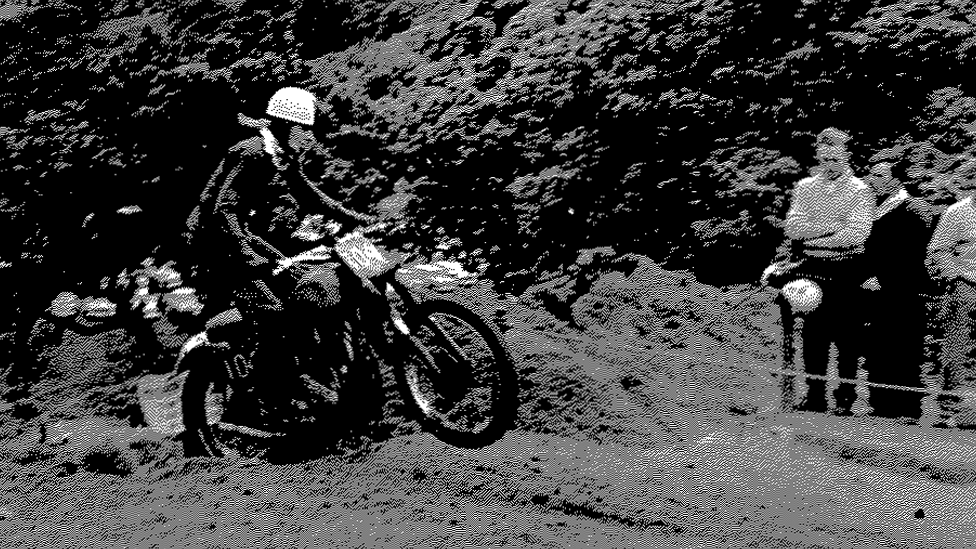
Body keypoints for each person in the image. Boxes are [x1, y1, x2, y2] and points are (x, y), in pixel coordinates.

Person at [184, 87, 377, 390]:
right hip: (217, 248)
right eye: (307, 128)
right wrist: (250, 256)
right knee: (276, 315)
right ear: (288, 125)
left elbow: (308, 194)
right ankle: (270, 386)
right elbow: (224, 210)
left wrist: (354, 218)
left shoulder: (281, 154)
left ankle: (320, 369)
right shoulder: (251, 153)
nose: (311, 137)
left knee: (310, 288)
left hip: (246, 241)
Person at [776, 127, 875, 413]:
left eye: (835, 158)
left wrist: (815, 232)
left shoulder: (860, 190)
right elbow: (793, 227)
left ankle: (846, 395)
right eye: (825, 157)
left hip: (848, 267)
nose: (829, 163)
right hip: (812, 265)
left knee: (847, 333)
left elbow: (856, 234)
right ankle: (815, 394)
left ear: (847, 156)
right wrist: (833, 226)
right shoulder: (806, 187)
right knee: (813, 332)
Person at [860, 162, 933, 421]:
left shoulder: (914, 209)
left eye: (880, 175)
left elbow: (911, 254)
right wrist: (867, 277)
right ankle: (881, 407)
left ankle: (908, 410)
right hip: (877, 293)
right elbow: (868, 252)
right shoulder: (875, 209)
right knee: (878, 348)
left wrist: (883, 279)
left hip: (905, 292)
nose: (873, 179)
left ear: (896, 180)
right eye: (872, 174)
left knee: (905, 349)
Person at [926, 188, 976, 423]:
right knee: (958, 348)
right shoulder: (957, 212)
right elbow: (937, 251)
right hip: (966, 287)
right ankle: (953, 409)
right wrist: (957, 277)